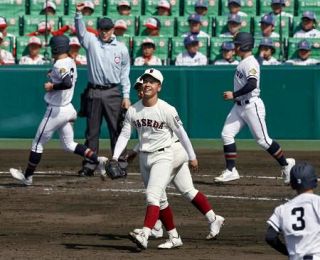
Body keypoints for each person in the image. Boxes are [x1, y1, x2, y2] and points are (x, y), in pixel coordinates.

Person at [111, 68, 222, 250]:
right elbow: (130, 135)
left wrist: (192, 156)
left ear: (159, 87)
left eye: (151, 81)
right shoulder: (133, 110)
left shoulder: (167, 109)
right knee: (182, 191)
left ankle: (146, 233)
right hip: (146, 157)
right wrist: (116, 156)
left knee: (154, 195)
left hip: (166, 154)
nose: (146, 85)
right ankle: (181, 232)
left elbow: (181, 134)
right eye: (144, 81)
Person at [9, 35, 107, 186]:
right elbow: (64, 74)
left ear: (56, 48)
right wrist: (53, 75)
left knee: (37, 144)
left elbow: (66, 82)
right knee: (69, 145)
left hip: (56, 111)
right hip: (68, 108)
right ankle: (98, 160)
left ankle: (27, 177)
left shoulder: (59, 63)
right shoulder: (70, 61)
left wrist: (52, 86)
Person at [214, 32, 295, 183]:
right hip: (239, 106)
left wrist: (234, 94)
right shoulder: (244, 61)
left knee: (263, 140)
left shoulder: (250, 62)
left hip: (251, 105)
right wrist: (236, 96)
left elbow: (252, 84)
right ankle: (231, 170)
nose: (235, 47)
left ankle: (286, 164)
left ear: (243, 45)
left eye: (237, 44)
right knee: (226, 134)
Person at [75, 3, 131, 177]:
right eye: (102, 29)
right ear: (98, 29)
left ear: (113, 29)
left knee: (117, 129)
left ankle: (120, 163)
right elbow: (80, 32)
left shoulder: (121, 48)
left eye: (108, 29)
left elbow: (125, 73)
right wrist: (78, 14)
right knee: (92, 131)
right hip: (94, 90)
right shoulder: (92, 42)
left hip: (113, 91)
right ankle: (90, 165)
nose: (105, 32)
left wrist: (126, 95)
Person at [266, 162, 320, 259]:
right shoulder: (317, 202)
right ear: (314, 181)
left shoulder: (282, 209)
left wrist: (288, 252)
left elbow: (270, 237)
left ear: (292, 184)